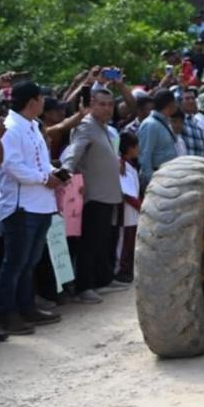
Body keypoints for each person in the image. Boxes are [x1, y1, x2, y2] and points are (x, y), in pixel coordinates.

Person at [0, 81, 64, 335]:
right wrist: (44, 178)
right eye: (41, 98)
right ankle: (6, 314)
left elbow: (41, 163)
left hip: (41, 204)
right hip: (21, 207)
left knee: (29, 263)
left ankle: (27, 308)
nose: (44, 102)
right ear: (32, 101)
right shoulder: (11, 128)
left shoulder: (34, 125)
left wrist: (56, 173)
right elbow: (11, 166)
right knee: (14, 263)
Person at [60, 87, 126, 303]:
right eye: (102, 104)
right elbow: (73, 153)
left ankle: (102, 280)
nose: (107, 108)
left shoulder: (104, 127)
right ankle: (84, 287)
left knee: (101, 241)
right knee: (89, 243)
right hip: (93, 195)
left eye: (110, 104)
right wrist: (64, 172)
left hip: (107, 193)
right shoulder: (86, 126)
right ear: (91, 105)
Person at [137, 88, 181, 188]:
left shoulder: (164, 122)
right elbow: (144, 156)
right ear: (170, 105)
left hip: (168, 176)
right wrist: (153, 182)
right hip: (157, 179)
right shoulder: (150, 124)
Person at [115, 132, 141, 284]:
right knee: (124, 241)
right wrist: (141, 206)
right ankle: (121, 270)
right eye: (136, 147)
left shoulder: (130, 165)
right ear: (130, 148)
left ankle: (128, 270)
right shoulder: (121, 165)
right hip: (127, 211)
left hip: (134, 212)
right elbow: (126, 193)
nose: (138, 150)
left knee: (131, 242)